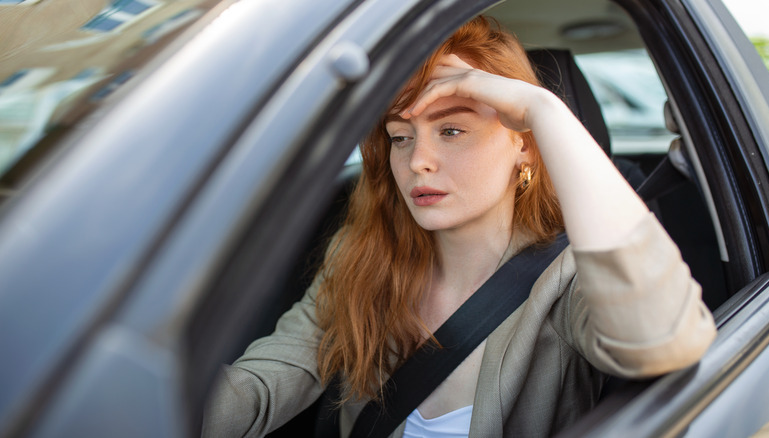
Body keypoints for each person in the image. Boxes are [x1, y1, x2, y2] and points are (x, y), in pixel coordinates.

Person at [202, 16, 716, 437]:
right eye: (400, 137)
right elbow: (253, 395)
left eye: (452, 129)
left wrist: (544, 110)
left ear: (524, 145)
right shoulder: (362, 257)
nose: (418, 161)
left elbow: (662, 340)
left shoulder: (568, 280)